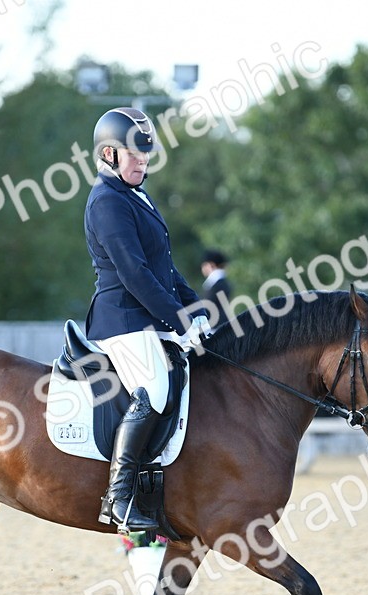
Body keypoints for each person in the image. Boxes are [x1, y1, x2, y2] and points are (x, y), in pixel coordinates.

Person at [83, 107, 212, 532]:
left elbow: (166, 270)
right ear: (108, 154)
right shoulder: (106, 202)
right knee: (154, 390)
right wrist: (178, 321)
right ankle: (117, 499)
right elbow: (135, 274)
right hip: (121, 319)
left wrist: (198, 311)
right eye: (134, 153)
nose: (143, 161)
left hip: (148, 317)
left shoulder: (137, 194)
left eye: (147, 153)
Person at [199, 249, 232, 325]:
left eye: (204, 265)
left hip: (216, 324)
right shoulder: (220, 282)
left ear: (211, 265)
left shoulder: (217, 284)